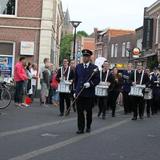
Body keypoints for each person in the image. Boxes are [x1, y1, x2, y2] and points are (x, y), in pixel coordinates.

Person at [75, 49, 100, 134]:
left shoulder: (94, 68)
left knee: (89, 112)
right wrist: (75, 91)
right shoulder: (78, 67)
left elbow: (97, 80)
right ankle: (80, 128)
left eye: (86, 56)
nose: (84, 58)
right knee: (80, 112)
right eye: (84, 56)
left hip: (89, 94)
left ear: (89, 57)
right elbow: (76, 80)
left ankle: (88, 126)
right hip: (80, 93)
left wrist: (90, 84)